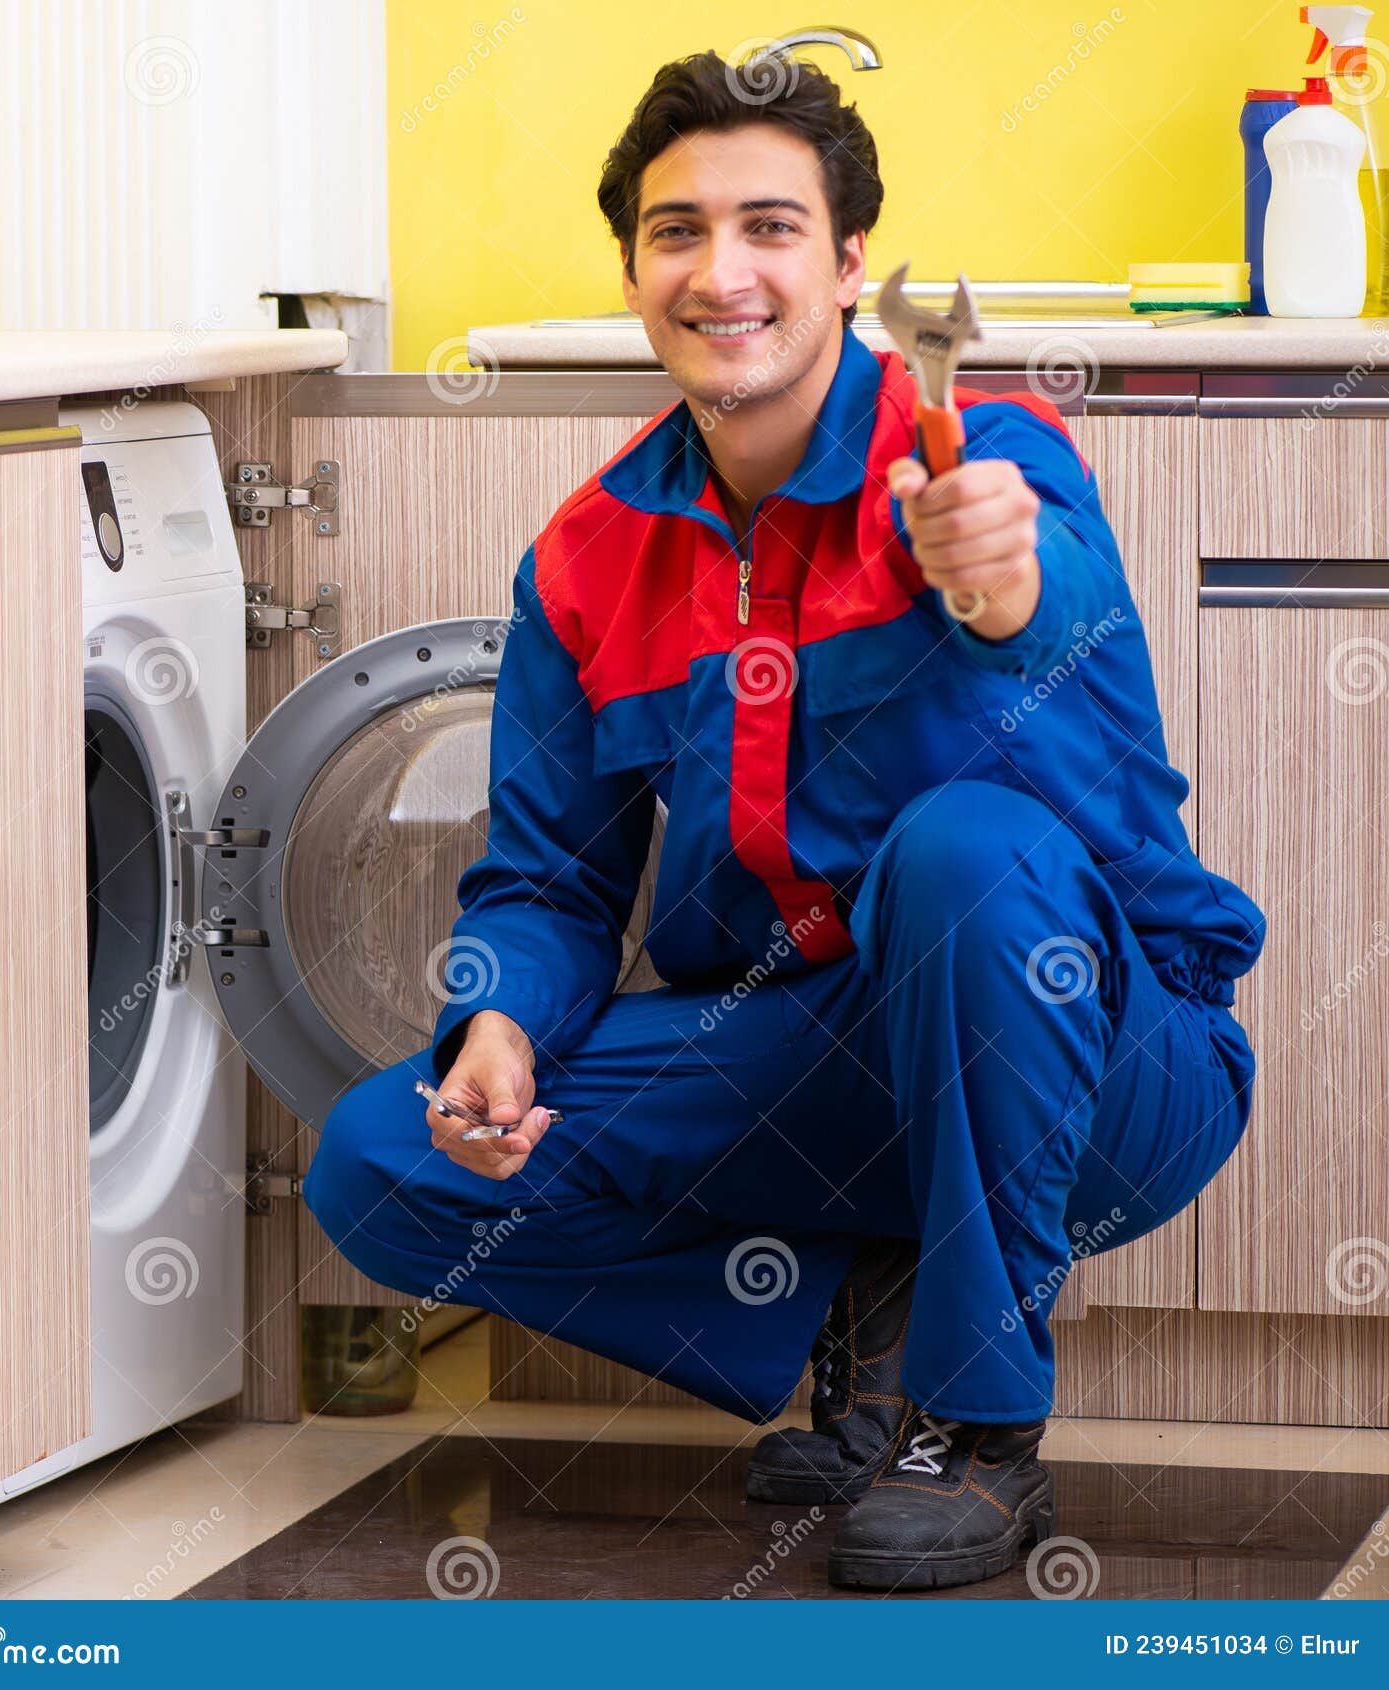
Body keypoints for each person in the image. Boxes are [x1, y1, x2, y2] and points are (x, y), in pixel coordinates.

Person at [302, 47, 1265, 1592]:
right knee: (377, 1160)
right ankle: (844, 1299)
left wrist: (993, 575)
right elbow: (548, 883)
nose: (720, 269)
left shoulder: (984, 462)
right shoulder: (586, 558)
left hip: (1113, 1056)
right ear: (632, 268)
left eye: (768, 226)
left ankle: (974, 1418)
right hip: (810, 1058)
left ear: (848, 263)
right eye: (677, 231)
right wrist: (496, 1027)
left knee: (967, 850)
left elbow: (1038, 590)